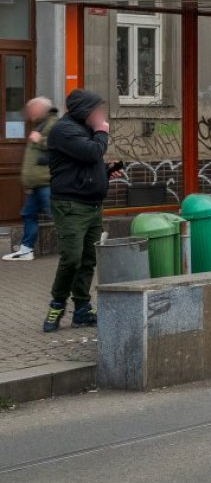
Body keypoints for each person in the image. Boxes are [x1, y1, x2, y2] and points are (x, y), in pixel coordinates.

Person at [44, 89, 121, 331]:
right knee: (72, 258)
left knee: (88, 260)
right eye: (96, 110)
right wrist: (102, 131)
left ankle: (82, 309)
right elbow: (91, 153)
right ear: (83, 110)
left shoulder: (84, 130)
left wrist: (106, 172)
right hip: (71, 206)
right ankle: (57, 304)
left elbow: (85, 163)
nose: (101, 115)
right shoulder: (63, 130)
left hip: (92, 206)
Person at [6, 97, 55, 262]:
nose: (29, 113)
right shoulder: (39, 125)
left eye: (32, 109)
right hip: (35, 183)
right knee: (29, 214)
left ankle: (84, 244)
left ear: (42, 109)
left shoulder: (53, 124)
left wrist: (40, 140)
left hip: (46, 182)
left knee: (57, 215)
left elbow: (61, 145)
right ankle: (26, 250)